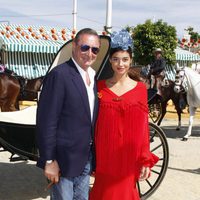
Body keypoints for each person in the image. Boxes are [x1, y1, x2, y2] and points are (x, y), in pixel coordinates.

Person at [89, 30, 159, 200]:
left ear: (131, 60)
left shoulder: (140, 89)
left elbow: (143, 128)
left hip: (129, 157)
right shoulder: (98, 87)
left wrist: (144, 160)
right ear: (110, 61)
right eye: (116, 59)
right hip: (104, 154)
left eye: (125, 59)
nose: (120, 64)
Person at [36, 28, 101, 200]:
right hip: (62, 161)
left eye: (95, 49)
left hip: (85, 158)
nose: (89, 53)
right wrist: (49, 161)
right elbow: (46, 121)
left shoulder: (92, 77)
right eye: (85, 47)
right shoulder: (59, 75)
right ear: (74, 46)